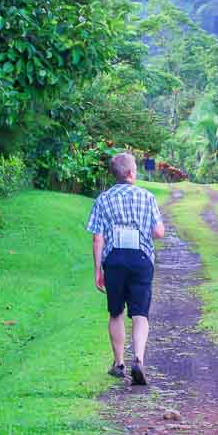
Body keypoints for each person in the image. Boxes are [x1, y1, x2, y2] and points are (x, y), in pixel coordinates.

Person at [87, 153, 165, 385]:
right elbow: (159, 232)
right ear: (131, 173)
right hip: (141, 258)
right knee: (140, 313)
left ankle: (119, 362)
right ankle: (139, 359)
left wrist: (97, 269)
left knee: (116, 312)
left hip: (114, 259)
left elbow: (97, 238)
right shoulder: (147, 197)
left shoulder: (103, 199)